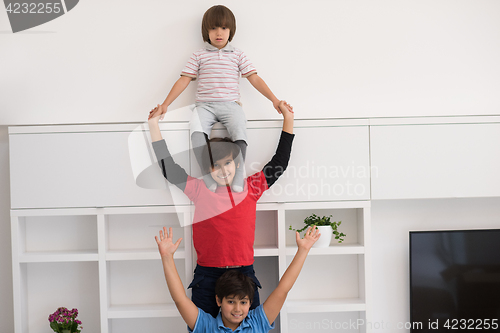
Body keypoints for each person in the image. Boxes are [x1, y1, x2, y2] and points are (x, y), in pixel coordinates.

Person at [148, 100, 294, 317]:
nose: (223, 170)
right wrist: (153, 124)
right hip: (208, 276)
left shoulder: (251, 187)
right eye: (215, 165)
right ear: (208, 168)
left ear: (237, 163)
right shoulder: (199, 189)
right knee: (201, 328)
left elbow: (280, 162)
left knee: (250, 330)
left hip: (243, 273)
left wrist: (288, 120)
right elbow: (168, 168)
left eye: (227, 163)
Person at [148, 5, 292, 192]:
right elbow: (183, 81)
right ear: (206, 31)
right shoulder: (198, 55)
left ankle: (238, 174)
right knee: (196, 132)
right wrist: (165, 105)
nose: (218, 33)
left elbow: (254, 78)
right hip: (205, 107)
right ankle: (208, 173)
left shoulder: (238, 55)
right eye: (213, 28)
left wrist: (274, 99)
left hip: (231, 105)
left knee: (240, 129)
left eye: (224, 28)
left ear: (230, 30)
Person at [155, 225, 320, 332]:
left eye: (243, 302)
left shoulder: (257, 323)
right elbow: (179, 299)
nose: (237, 309)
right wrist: (167, 257)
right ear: (219, 300)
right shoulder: (207, 326)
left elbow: (283, 289)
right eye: (231, 301)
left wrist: (303, 250)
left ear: (250, 303)